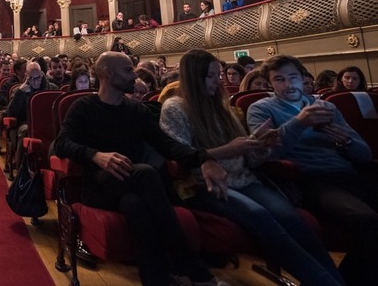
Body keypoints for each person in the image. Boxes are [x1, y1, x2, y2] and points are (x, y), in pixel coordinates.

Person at [160, 49, 343, 286]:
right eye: (210, 76)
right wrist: (227, 151)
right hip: (205, 185)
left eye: (219, 74)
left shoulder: (223, 107)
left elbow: (249, 159)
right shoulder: (175, 107)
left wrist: (261, 146)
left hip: (245, 178)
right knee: (261, 217)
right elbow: (180, 155)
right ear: (194, 77)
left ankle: (336, 280)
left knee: (291, 217)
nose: (218, 81)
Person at [53, 51, 228, 285]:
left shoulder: (137, 110)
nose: (134, 76)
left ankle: (155, 278)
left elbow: (168, 146)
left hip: (132, 186)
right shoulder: (83, 107)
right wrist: (96, 156)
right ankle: (195, 269)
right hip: (98, 187)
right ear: (107, 73)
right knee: (145, 172)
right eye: (127, 70)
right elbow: (62, 144)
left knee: (135, 205)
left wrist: (205, 158)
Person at [246, 54, 378, 285]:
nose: (288, 85)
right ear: (271, 83)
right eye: (279, 79)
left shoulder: (325, 107)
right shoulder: (261, 109)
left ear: (302, 77)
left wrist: (347, 142)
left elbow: (364, 154)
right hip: (311, 179)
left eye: (293, 77)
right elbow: (265, 155)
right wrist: (300, 122)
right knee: (366, 219)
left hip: (348, 172)